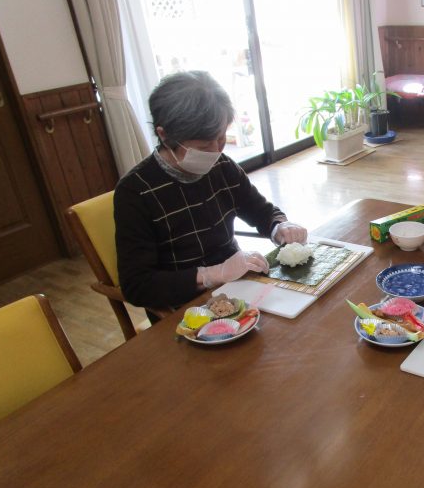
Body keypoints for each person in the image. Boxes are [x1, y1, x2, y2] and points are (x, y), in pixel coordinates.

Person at [115, 71, 307, 312]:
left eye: (222, 138)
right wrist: (210, 275)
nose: (216, 151)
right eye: (204, 146)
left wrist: (280, 226)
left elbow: (260, 211)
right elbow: (137, 286)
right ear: (164, 135)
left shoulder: (222, 166)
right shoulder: (135, 192)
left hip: (238, 288)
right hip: (186, 308)